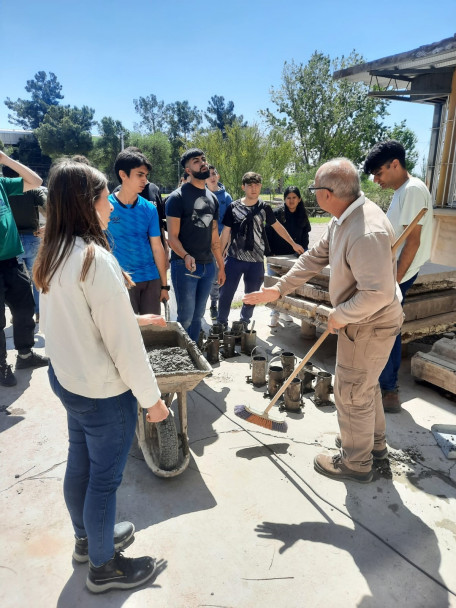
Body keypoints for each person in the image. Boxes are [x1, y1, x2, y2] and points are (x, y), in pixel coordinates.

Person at [34, 158, 169, 593]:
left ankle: (86, 540)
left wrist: (133, 321)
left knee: (81, 462)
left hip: (69, 380)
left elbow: (75, 321)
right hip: (102, 392)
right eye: (102, 197)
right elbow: (124, 349)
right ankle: (104, 567)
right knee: (105, 481)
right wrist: (153, 401)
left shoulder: (52, 252)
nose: (109, 205)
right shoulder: (95, 259)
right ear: (85, 204)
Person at [244, 158, 403, 484]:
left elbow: (378, 294)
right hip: (362, 320)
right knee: (365, 387)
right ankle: (372, 446)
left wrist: (339, 314)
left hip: (370, 324)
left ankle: (356, 463)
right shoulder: (343, 219)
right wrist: (280, 289)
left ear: (329, 193)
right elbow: (314, 257)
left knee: (352, 392)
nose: (312, 193)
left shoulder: (366, 231)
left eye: (315, 188)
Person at [364, 140, 433, 413]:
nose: (376, 179)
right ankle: (383, 385)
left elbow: (412, 242)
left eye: (379, 173)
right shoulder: (403, 190)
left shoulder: (413, 190)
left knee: (387, 329)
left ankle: (388, 390)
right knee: (385, 328)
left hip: (398, 275)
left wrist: (394, 282)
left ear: (395, 164)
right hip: (391, 272)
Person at [217, 172, 304, 331]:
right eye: (250, 185)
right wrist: (219, 261)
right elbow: (225, 233)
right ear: (243, 187)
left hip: (256, 261)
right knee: (225, 294)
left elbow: (277, 227)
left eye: (256, 185)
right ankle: (221, 324)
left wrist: (293, 243)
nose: (253, 188)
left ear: (260, 186)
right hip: (234, 259)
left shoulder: (264, 208)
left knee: (252, 295)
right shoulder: (233, 207)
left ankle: (244, 324)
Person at [166, 148, 225, 342]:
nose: (202, 163)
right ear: (188, 170)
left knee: (199, 317)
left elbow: (214, 236)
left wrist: (220, 266)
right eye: (196, 161)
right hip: (185, 266)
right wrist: (185, 256)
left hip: (208, 266)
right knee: (185, 317)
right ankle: (182, 358)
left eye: (203, 159)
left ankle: (194, 355)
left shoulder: (213, 198)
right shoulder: (177, 197)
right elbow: (172, 238)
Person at [0, 151, 49, 387]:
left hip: (11, 259)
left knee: (25, 308)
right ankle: (1, 367)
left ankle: (25, 355)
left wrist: (6, 160)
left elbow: (36, 182)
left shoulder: (2, 183)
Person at [108, 149, 169, 315]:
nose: (145, 180)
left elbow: (157, 247)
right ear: (123, 174)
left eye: (146, 175)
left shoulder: (149, 208)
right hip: (121, 281)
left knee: (152, 332)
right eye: (140, 174)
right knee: (127, 335)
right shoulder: (106, 206)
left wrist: (164, 285)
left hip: (151, 279)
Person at [3, 165, 47, 323]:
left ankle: (18, 314)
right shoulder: (32, 190)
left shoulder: (4, 190)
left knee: (18, 283)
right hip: (33, 238)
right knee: (37, 279)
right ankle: (39, 313)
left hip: (12, 243)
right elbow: (49, 206)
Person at [265, 185, 311, 327]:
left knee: (289, 287)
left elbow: (305, 235)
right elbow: (266, 233)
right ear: (285, 199)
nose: (291, 201)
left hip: (293, 257)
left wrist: (303, 250)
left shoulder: (302, 214)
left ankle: (284, 311)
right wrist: (269, 253)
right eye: (288, 198)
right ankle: (274, 314)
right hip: (276, 256)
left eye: (294, 198)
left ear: (299, 199)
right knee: (274, 286)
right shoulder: (277, 213)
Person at [112, 146, 169, 257]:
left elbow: (160, 223)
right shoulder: (117, 193)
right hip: (131, 255)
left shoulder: (154, 189)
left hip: (155, 251)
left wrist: (165, 249)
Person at [206, 165, 232, 320]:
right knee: (209, 276)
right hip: (205, 243)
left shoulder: (226, 197)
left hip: (222, 243)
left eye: (214, 173)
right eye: (209, 175)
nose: (212, 177)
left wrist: (227, 244)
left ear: (218, 176)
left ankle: (216, 305)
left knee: (220, 275)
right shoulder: (202, 195)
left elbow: (231, 223)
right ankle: (210, 303)